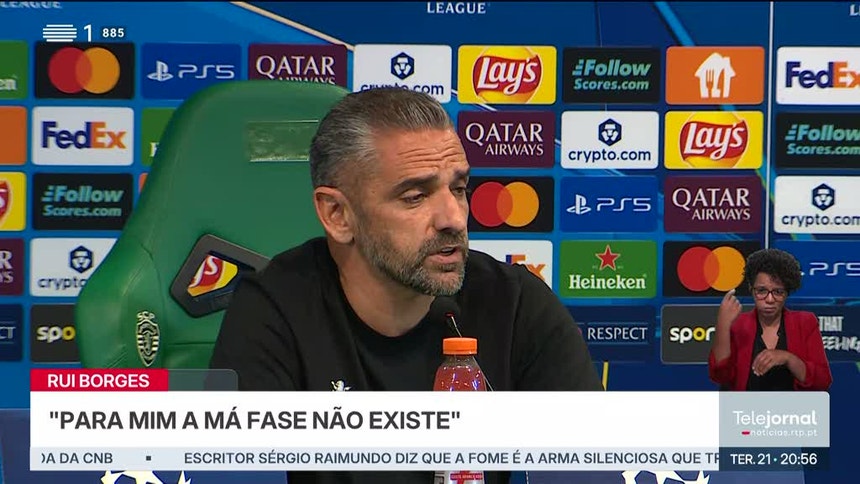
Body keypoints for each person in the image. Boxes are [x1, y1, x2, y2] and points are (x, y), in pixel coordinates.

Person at [209, 88, 603, 484]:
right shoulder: (274, 312)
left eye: (459, 189)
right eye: (415, 197)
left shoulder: (516, 305)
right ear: (337, 214)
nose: (453, 218)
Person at [708, 248, 832, 391]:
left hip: (792, 406)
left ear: (787, 292)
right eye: (761, 291)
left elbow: (823, 381)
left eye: (778, 292)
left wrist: (788, 358)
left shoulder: (805, 323)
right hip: (746, 405)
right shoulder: (739, 325)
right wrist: (723, 325)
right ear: (751, 289)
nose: (770, 299)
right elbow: (720, 376)